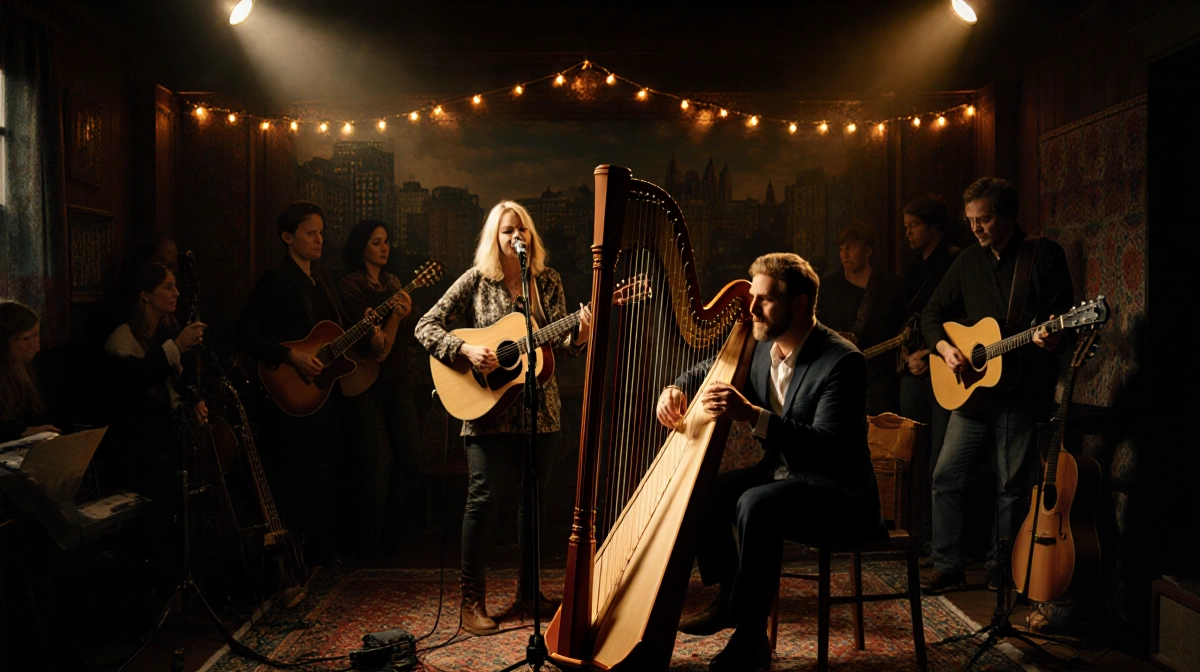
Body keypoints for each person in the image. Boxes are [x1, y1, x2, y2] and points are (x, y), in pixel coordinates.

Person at [655, 252, 885, 672]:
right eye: (753, 297)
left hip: (837, 491)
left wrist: (754, 416)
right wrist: (674, 388)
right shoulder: (760, 348)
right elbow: (707, 369)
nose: (752, 308)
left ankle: (747, 637)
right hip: (782, 479)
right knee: (704, 491)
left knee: (756, 503)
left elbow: (830, 445)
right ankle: (731, 598)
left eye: (764, 299)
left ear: (799, 304)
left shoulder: (842, 360)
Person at [415, 201, 591, 635]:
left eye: (524, 230)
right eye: (508, 230)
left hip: (540, 412)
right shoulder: (477, 281)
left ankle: (529, 594)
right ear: (495, 237)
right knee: (484, 500)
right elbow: (426, 324)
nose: (518, 236)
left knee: (535, 502)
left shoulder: (547, 282)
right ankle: (470, 601)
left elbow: (559, 349)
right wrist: (465, 350)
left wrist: (581, 336)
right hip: (485, 412)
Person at [920, 177, 1074, 594]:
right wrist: (945, 349)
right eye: (970, 220)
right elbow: (930, 314)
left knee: (1010, 487)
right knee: (945, 476)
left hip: (1020, 395)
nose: (975, 229)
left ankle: (999, 568)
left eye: (984, 219)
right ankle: (947, 565)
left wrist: (1054, 335)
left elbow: (1064, 325)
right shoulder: (968, 261)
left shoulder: (1043, 256)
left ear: (1008, 215)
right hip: (970, 394)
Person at [234, 201, 371, 566]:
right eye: (311, 233)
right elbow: (243, 334)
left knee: (330, 469)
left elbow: (334, 330)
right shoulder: (276, 279)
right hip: (290, 392)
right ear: (287, 237)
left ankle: (327, 551)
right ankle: (302, 557)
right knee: (301, 476)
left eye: (321, 233)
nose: (319, 239)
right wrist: (289, 356)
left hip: (324, 392)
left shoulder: (323, 278)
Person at [337, 220, 419, 557]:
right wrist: (395, 318)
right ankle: (367, 545)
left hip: (397, 379)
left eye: (386, 241)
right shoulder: (349, 286)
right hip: (364, 379)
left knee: (410, 458)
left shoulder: (394, 283)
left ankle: (395, 536)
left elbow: (403, 340)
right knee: (372, 464)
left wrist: (406, 313)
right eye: (376, 242)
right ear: (361, 248)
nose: (384, 248)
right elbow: (378, 347)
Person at [100, 262, 207, 492]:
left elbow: (179, 381)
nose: (176, 293)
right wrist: (177, 346)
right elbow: (137, 380)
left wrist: (195, 401)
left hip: (169, 438)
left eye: (176, 286)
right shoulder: (122, 339)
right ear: (146, 295)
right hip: (137, 445)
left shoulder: (166, 329)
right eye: (168, 287)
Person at [897, 196, 960, 560]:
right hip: (913, 371)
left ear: (934, 226)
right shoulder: (912, 268)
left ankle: (939, 542)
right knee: (912, 455)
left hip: (945, 366)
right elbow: (906, 320)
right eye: (905, 226)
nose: (907, 232)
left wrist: (931, 352)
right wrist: (907, 356)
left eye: (914, 226)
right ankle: (914, 535)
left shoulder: (955, 261)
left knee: (939, 460)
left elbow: (959, 317)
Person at [817, 222, 904, 415]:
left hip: (879, 376)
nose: (845, 254)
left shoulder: (891, 287)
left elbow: (901, 328)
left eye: (851, 247)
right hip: (837, 374)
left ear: (868, 251)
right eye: (841, 249)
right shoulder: (830, 287)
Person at [0, 301, 59, 442]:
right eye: (26, 338)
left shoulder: (33, 367)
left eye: (36, 335)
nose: (35, 344)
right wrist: (23, 431)